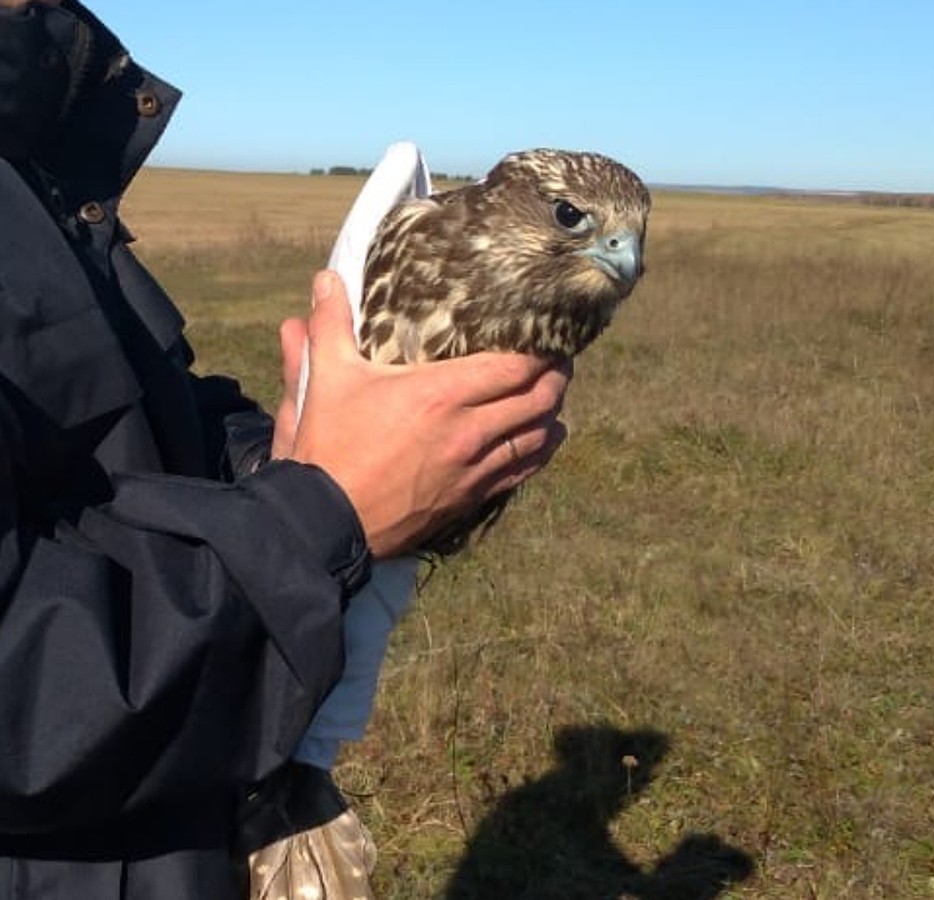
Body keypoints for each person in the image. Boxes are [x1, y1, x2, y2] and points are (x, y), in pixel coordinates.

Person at [0, 1, 570, 897]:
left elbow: (120, 434)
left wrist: (287, 455)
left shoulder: (33, 140)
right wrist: (324, 513)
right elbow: (22, 696)